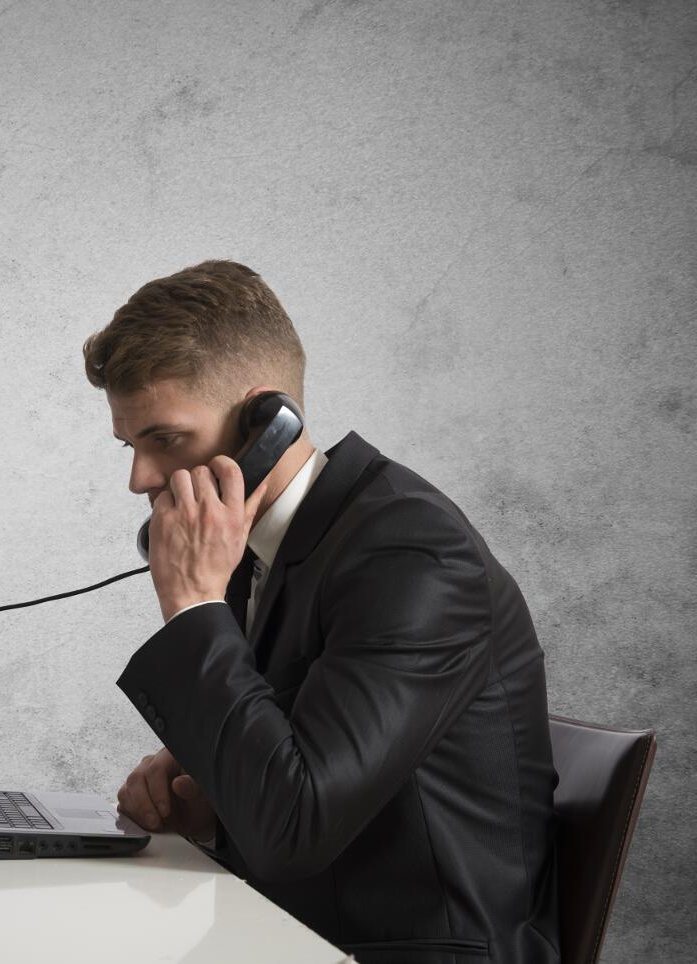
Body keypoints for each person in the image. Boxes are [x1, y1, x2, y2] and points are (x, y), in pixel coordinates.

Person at [82, 260, 560, 964]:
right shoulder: (271, 550)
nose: (139, 480)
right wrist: (217, 806)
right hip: (287, 934)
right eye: (131, 446)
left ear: (265, 424)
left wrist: (191, 606)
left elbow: (294, 828)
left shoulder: (412, 553)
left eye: (165, 439)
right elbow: (304, 789)